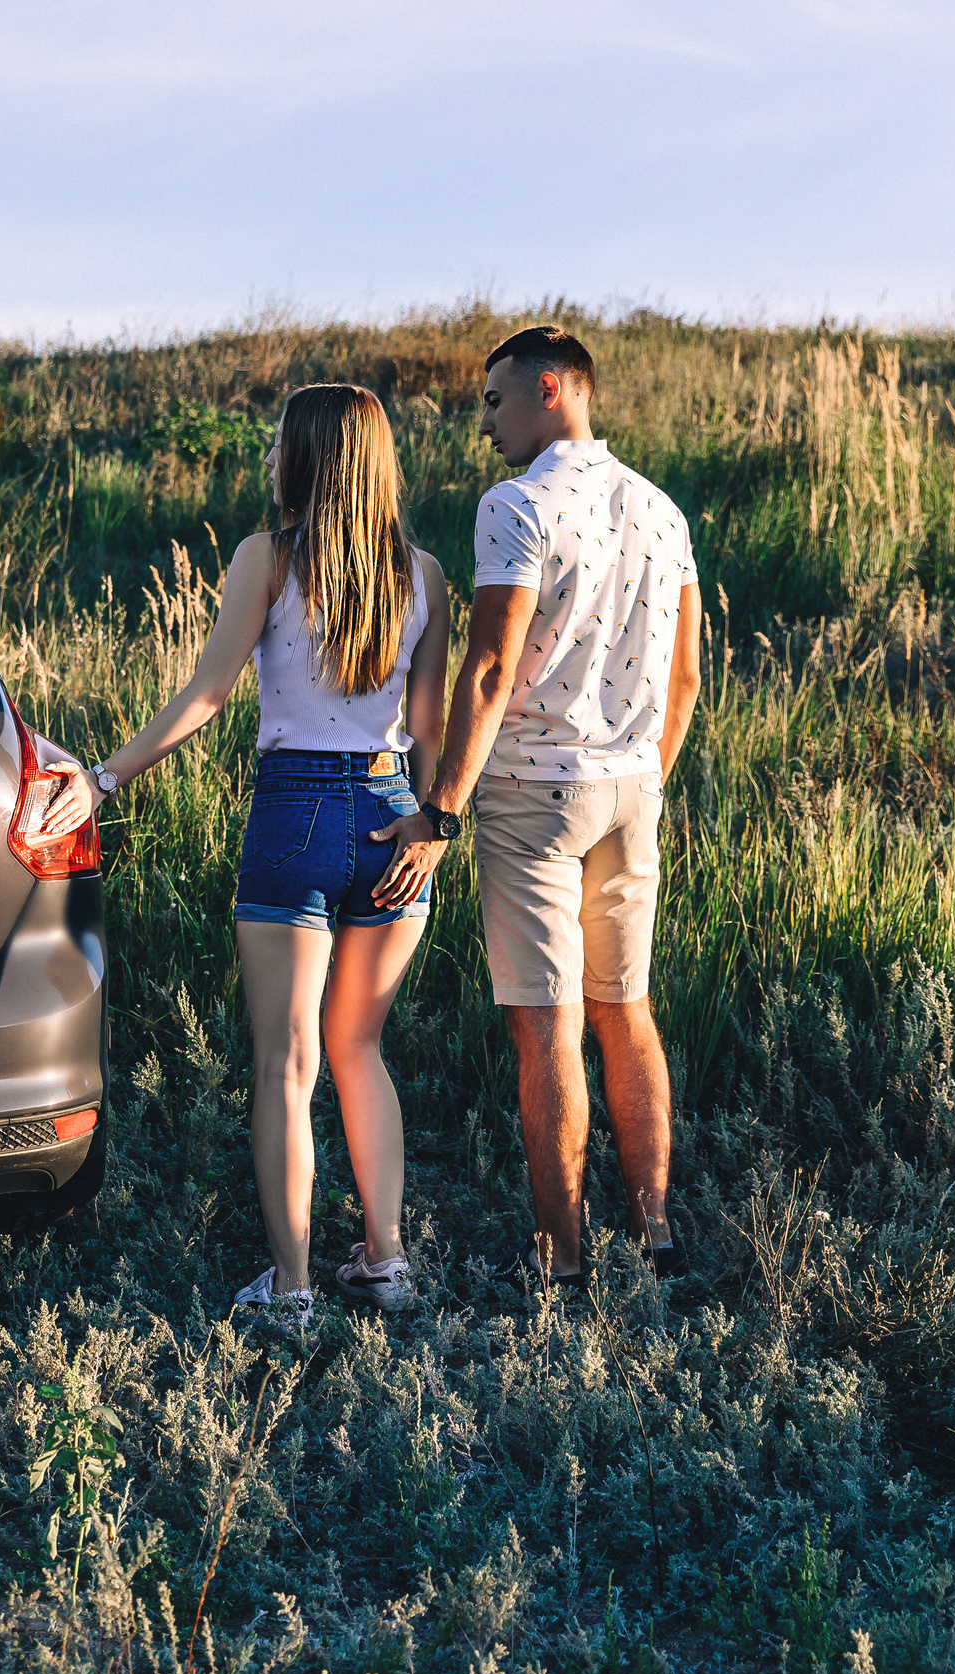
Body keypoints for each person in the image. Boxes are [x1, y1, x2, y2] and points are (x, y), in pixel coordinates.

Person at [43, 384, 449, 1328]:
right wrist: (434, 825)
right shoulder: (424, 574)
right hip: (395, 813)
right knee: (360, 1047)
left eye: (278, 445)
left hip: (294, 813)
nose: (269, 459)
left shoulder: (267, 557)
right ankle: (385, 1262)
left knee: (285, 1064)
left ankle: (293, 1287)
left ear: (308, 458)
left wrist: (103, 777)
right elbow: (429, 726)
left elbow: (209, 692)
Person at [369, 326, 703, 1287]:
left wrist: (441, 812)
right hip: (632, 792)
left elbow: (488, 667)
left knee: (548, 1026)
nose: (485, 425)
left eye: (493, 401)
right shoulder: (663, 510)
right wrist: (645, 777)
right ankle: (654, 1232)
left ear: (550, 389)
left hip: (531, 799)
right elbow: (685, 679)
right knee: (627, 1010)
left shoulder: (515, 505)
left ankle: (560, 1255)